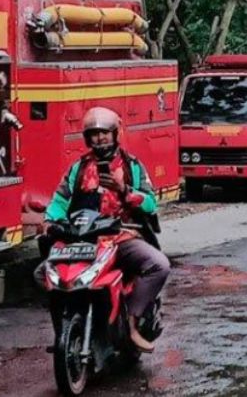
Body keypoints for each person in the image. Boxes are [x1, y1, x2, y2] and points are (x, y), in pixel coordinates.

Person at [42, 107, 170, 353]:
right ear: (87, 138)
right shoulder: (77, 169)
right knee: (43, 274)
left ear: (115, 134)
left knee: (159, 265)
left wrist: (125, 191)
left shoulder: (132, 166)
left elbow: (151, 202)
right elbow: (60, 201)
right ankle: (63, 334)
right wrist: (50, 220)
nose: (99, 139)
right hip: (80, 239)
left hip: (121, 236)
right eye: (94, 134)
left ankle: (131, 326)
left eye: (104, 134)